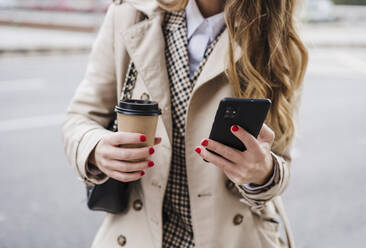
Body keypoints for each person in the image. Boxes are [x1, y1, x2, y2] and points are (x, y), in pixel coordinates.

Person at [62, 0, 308, 247]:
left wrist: (262, 173)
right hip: (141, 233)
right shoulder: (130, 12)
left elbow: (280, 160)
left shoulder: (277, 36)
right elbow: (80, 118)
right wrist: (96, 148)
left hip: (235, 236)